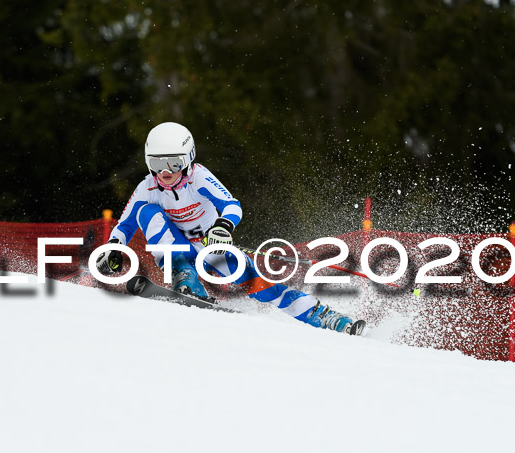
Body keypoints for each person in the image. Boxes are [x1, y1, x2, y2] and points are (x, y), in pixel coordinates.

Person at [96, 122, 365, 335]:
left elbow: (232, 205)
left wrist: (223, 228)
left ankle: (327, 318)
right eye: (157, 164)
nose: (165, 172)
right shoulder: (148, 189)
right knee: (146, 212)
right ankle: (186, 277)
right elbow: (126, 225)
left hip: (212, 247)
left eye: (173, 163)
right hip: (177, 250)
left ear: (187, 160)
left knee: (264, 287)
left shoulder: (198, 177)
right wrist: (114, 249)